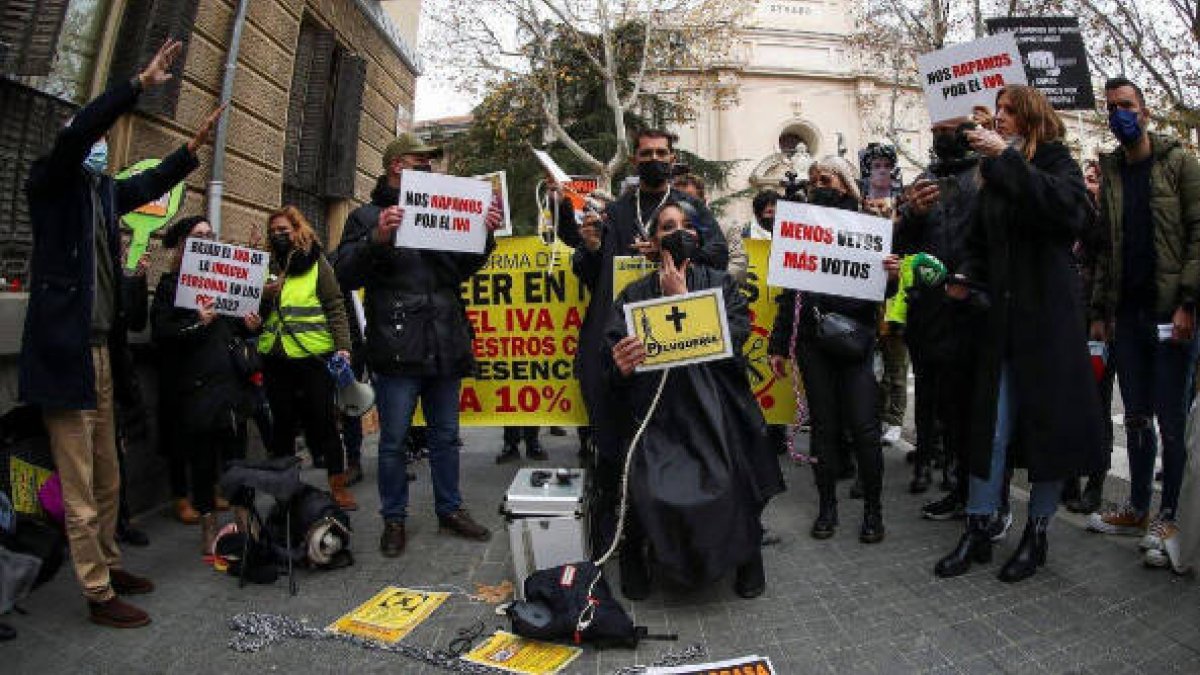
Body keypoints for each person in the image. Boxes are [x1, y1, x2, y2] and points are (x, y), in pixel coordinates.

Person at [18, 38, 221, 627]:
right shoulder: (50, 184)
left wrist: (192, 149)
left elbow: (150, 185)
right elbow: (80, 134)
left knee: (109, 474)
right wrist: (138, 84)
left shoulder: (103, 193)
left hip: (102, 353)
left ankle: (108, 561)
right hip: (65, 356)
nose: (101, 150)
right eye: (94, 141)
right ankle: (97, 592)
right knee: (79, 486)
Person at [934, 85, 1104, 582]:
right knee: (992, 428)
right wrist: (964, 274)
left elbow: (1067, 212)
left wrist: (1006, 160)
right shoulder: (989, 171)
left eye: (1010, 111)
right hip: (999, 324)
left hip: (1048, 324)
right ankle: (979, 525)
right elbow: (976, 240)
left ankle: (1038, 532)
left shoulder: (1056, 161)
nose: (1000, 118)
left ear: (1030, 118)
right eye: (999, 111)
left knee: (1048, 432)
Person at [335, 133, 503, 558]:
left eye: (430, 162)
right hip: (396, 346)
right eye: (420, 160)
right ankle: (394, 519)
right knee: (393, 442)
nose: (428, 167)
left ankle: (450, 509)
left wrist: (484, 234)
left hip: (445, 340)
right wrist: (377, 238)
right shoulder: (366, 216)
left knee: (446, 437)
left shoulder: (441, 209)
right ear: (396, 166)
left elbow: (462, 268)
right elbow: (342, 274)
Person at [606, 200, 784, 599]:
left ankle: (747, 552)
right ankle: (634, 550)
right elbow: (614, 355)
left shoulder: (721, 284)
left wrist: (682, 300)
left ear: (699, 235)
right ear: (654, 242)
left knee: (735, 467)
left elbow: (734, 342)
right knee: (645, 479)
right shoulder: (633, 293)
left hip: (715, 404)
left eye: (687, 225)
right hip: (659, 411)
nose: (680, 232)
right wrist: (620, 362)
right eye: (668, 226)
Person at [570, 129, 729, 552]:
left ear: (672, 158)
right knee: (611, 437)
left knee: (679, 437)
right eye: (646, 154)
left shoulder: (689, 209)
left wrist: (668, 245)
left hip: (678, 340)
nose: (654, 159)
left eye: (662, 153)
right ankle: (615, 534)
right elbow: (589, 276)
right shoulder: (616, 212)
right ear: (634, 160)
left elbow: (719, 259)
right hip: (616, 335)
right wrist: (588, 247)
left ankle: (688, 533)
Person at [1087, 77, 1200, 550]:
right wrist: (1100, 311)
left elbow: (1198, 234)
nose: (1120, 115)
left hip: (1170, 312)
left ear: (1146, 111)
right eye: (1112, 107)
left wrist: (1188, 303)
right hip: (1127, 316)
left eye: (1127, 105)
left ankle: (1168, 516)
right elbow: (1106, 249)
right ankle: (1136, 508)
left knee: (1170, 421)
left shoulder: (1180, 163)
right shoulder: (1110, 169)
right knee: (1134, 417)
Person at [768, 156, 898, 544]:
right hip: (812, 342)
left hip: (855, 339)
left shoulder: (869, 227)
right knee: (822, 430)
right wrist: (779, 345)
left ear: (843, 184)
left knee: (864, 428)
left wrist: (890, 276)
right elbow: (789, 293)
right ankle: (827, 508)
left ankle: (873, 511)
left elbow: (882, 292)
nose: (817, 185)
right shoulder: (800, 226)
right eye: (813, 180)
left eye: (825, 178)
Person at [896, 115, 990, 513]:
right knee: (929, 389)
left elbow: (987, 237)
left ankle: (956, 470)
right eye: (933, 131)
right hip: (927, 306)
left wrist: (967, 276)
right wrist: (912, 214)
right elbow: (900, 245)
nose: (938, 137)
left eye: (945, 130)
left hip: (967, 305)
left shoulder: (984, 177)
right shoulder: (923, 181)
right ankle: (925, 461)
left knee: (959, 398)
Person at [152, 216, 260, 555]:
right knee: (201, 463)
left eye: (211, 234)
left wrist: (251, 326)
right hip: (196, 389)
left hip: (230, 388)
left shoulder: (224, 282)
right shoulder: (172, 286)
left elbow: (237, 333)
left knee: (236, 461)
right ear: (184, 243)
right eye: (199, 235)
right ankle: (209, 527)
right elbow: (163, 334)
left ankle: (245, 523)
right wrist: (198, 322)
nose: (207, 239)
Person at [257, 206, 357, 511]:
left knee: (324, 422)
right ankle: (285, 489)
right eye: (273, 232)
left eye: (283, 230)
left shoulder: (317, 263)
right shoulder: (264, 265)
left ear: (298, 230)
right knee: (282, 426)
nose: (278, 236)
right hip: (275, 358)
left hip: (314, 357)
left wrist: (343, 347)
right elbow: (250, 309)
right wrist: (264, 296)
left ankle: (338, 486)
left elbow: (335, 305)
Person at [1062, 159, 1115, 515]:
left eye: (1096, 179)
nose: (1088, 183)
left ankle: (1096, 483)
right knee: (1067, 401)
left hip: (1096, 324)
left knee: (1097, 403)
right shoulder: (1072, 220)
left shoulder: (1105, 222)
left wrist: (1100, 316)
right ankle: (1068, 479)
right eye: (1086, 177)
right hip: (1068, 321)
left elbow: (1106, 265)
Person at [860, 144, 909, 447]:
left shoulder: (903, 206)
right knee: (868, 362)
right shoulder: (858, 206)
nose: (881, 170)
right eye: (876, 165)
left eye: (886, 165)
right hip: (866, 292)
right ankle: (873, 415)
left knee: (896, 359)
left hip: (896, 293)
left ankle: (894, 418)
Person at [673, 173, 747, 283]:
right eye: (679, 199)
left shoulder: (726, 227)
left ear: (703, 201)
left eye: (689, 199)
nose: (684, 204)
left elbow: (738, 262)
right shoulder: (667, 229)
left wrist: (713, 281)